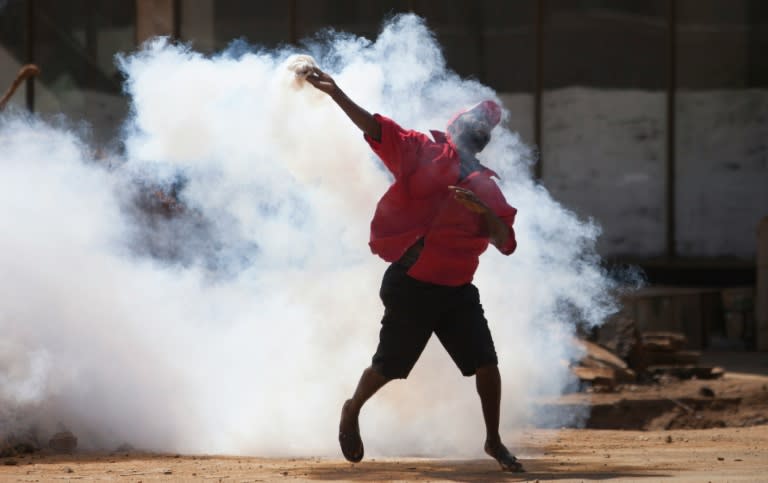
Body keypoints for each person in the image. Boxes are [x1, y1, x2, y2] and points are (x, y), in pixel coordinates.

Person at [305, 67, 523, 473]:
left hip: (457, 290)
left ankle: (493, 440)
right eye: (472, 123)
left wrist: (481, 211)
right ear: (454, 127)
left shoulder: (487, 186)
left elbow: (505, 241)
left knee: (487, 364)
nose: (477, 130)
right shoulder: (422, 151)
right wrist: (337, 94)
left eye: (483, 129)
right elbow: (375, 127)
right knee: (390, 367)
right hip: (412, 284)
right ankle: (352, 408)